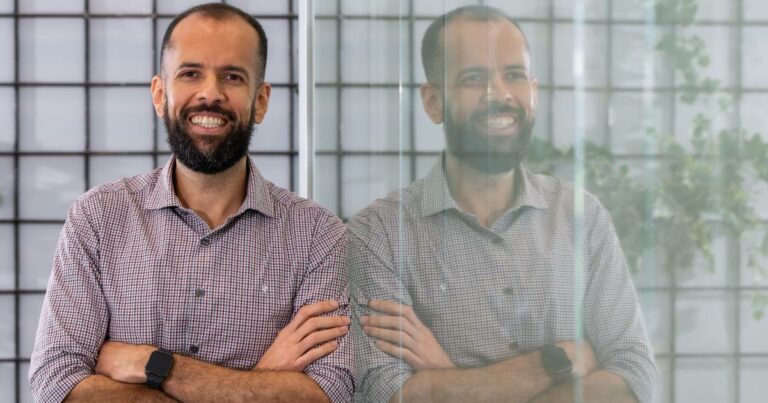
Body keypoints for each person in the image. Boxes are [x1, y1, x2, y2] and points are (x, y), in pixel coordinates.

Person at [29, 3, 352, 402]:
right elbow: (55, 383)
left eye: (232, 76)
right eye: (190, 74)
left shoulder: (319, 235)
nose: (210, 93)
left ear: (261, 100)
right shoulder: (98, 218)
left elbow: (331, 391)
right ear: (160, 94)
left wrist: (156, 365)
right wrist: (259, 382)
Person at [348, 5, 656, 403]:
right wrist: (558, 361)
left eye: (514, 75)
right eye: (474, 78)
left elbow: (634, 375)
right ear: (433, 102)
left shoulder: (582, 217)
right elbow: (388, 393)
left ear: (534, 90)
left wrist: (447, 378)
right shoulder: (379, 233)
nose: (500, 94)